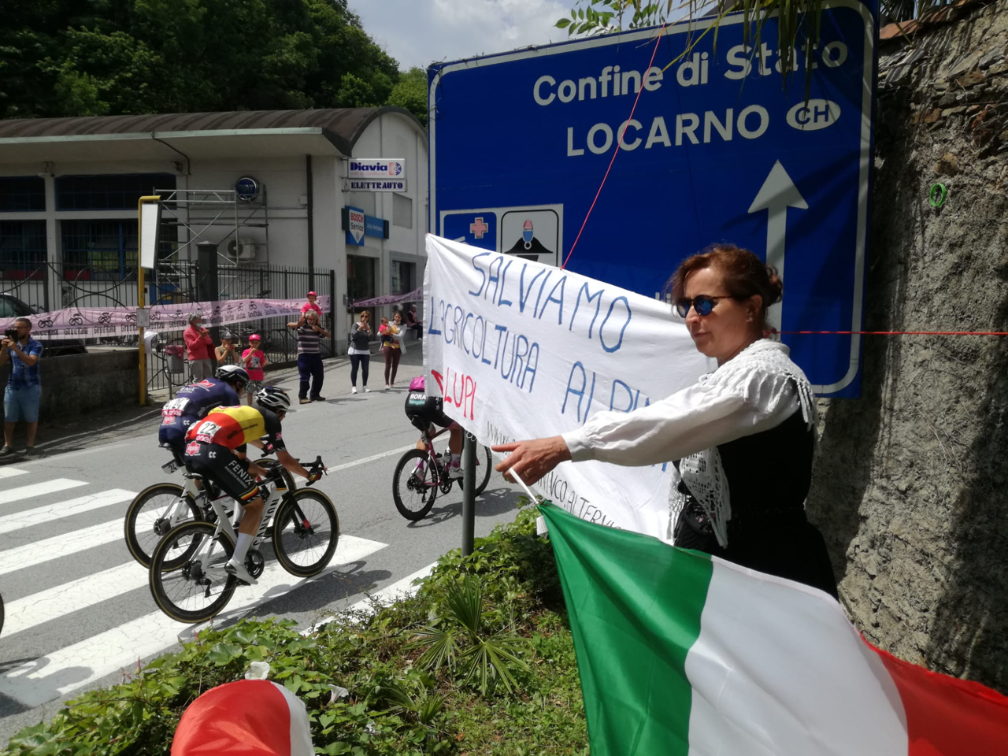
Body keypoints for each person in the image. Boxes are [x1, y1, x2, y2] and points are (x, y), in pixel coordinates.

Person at [493, 243, 838, 599]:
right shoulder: (729, 375)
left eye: (705, 304)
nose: (692, 317)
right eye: (687, 306)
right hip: (723, 566)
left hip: (762, 572)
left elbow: (667, 423)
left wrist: (566, 445)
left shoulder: (765, 376)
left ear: (751, 307)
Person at [184, 386, 324, 585]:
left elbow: (241, 461)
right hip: (213, 453)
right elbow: (285, 460)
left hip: (191, 449)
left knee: (245, 482)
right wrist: (309, 474)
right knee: (256, 505)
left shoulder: (240, 415)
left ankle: (229, 522)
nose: (283, 418)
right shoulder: (271, 418)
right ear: (278, 410)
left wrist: (263, 472)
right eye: (283, 414)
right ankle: (237, 561)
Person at [158, 365, 249, 459]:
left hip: (165, 426)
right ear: (239, 384)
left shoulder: (205, 383)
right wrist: (242, 453)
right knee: (222, 458)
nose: (244, 391)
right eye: (245, 386)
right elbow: (237, 425)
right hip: (186, 426)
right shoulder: (229, 392)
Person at [404, 375, 464, 479]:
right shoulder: (453, 373)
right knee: (457, 428)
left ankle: (419, 469)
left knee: (428, 432)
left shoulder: (431, 370)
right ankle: (455, 467)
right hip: (429, 402)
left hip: (411, 402)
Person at [0, 317, 43, 456]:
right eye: (15, 327)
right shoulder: (12, 344)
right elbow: (1, 362)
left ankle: (30, 445)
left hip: (30, 385)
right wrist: (4, 349)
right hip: (13, 385)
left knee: (31, 417)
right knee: (9, 417)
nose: (16, 330)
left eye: (19, 327)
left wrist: (16, 349)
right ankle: (8, 445)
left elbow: (31, 361)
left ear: (28, 329)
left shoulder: (36, 345)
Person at [287, 309, 329, 404]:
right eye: (310, 319)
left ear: (316, 319)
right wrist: (299, 323)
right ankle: (302, 397)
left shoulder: (318, 327)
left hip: (315, 355)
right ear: (306, 319)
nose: (311, 321)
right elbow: (289, 325)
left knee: (319, 375)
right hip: (304, 355)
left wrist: (319, 329)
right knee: (305, 377)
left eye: (313, 319)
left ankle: (315, 394)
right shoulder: (302, 326)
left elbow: (328, 335)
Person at [183, 313, 215, 382]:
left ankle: (208, 389)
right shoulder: (187, 332)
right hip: (195, 359)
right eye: (198, 320)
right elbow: (192, 346)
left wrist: (204, 337)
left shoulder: (203, 329)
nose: (201, 321)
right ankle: (196, 389)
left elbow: (209, 342)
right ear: (193, 321)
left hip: (206, 357)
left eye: (201, 319)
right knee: (198, 379)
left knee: (209, 377)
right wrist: (200, 337)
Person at [348, 310, 372, 394]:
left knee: (365, 369)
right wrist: (359, 329)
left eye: (366, 316)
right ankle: (354, 386)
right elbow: (353, 335)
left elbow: (370, 339)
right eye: (362, 316)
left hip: (365, 350)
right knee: (355, 368)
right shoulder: (355, 325)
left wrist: (368, 330)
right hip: (355, 350)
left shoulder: (368, 326)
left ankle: (365, 386)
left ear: (368, 318)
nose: (364, 318)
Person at [380, 311, 404, 389]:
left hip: (397, 348)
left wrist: (390, 333)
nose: (397, 318)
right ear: (393, 317)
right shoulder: (388, 323)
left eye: (399, 317)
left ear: (401, 318)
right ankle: (387, 383)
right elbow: (379, 333)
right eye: (396, 317)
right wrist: (383, 332)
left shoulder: (403, 326)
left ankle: (392, 383)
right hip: (387, 346)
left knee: (395, 366)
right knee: (388, 365)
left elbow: (400, 336)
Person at [241, 334, 267, 406]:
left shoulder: (260, 352)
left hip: (259, 376)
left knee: (260, 392)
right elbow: (244, 360)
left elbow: (262, 363)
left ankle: (260, 405)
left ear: (259, 343)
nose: (254, 345)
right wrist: (251, 353)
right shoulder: (246, 351)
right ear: (249, 343)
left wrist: (264, 363)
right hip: (250, 376)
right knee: (249, 392)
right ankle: (249, 406)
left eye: (256, 343)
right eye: (252, 343)